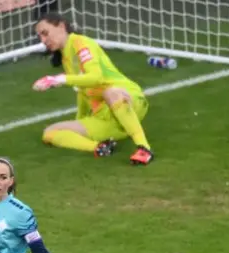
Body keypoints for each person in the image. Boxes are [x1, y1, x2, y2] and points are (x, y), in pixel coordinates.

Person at [32, 12, 155, 165]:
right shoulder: (66, 57)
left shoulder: (80, 43)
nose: (43, 40)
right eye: (40, 37)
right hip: (106, 119)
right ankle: (100, 147)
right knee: (49, 133)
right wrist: (80, 122)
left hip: (129, 101)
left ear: (61, 26)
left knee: (110, 92)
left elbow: (96, 78)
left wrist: (60, 79)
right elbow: (83, 92)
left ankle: (144, 148)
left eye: (45, 33)